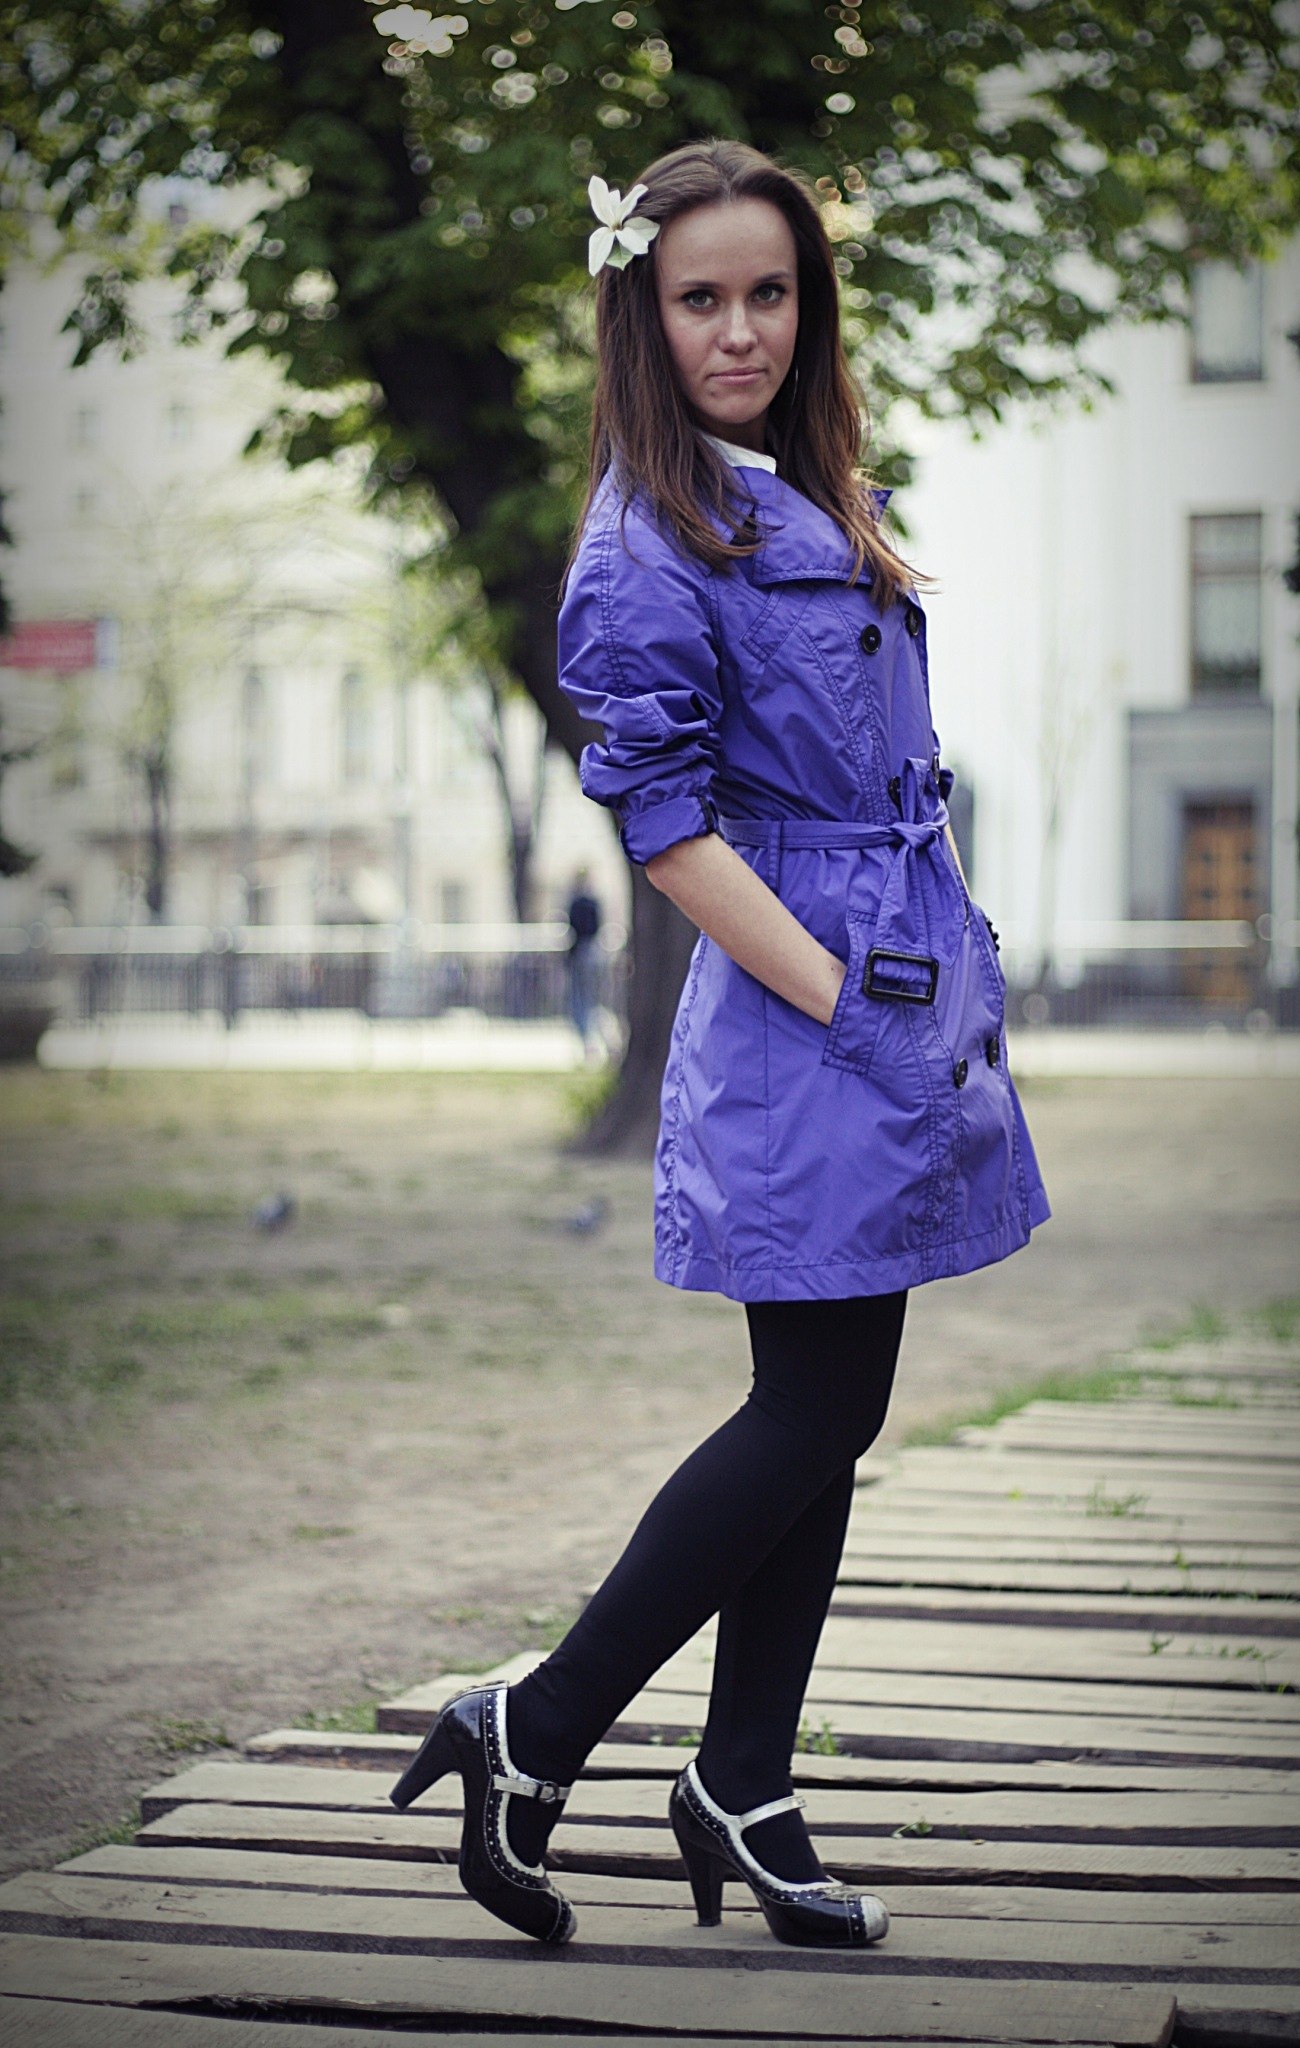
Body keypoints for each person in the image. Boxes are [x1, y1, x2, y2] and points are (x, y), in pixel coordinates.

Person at [391, 138, 1051, 1953]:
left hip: (885, 984)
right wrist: (854, 1008)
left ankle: (741, 1780)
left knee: (829, 1408)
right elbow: (667, 835)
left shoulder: (804, 490)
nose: (740, 329)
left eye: (770, 292)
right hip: (806, 1011)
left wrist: (916, 993)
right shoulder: (643, 547)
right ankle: (536, 1725)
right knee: (812, 1407)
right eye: (700, 298)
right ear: (643, 314)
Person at [564, 866, 602, 1049]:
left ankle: (585, 1032)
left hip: (581, 950)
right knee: (586, 994)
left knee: (581, 995)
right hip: (588, 950)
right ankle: (586, 1033)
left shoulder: (579, 903)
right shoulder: (591, 903)